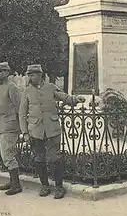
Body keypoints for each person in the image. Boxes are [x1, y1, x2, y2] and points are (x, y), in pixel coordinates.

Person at [19, 64, 86, 199]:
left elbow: (64, 97)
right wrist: (25, 133)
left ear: (40, 75)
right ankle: (44, 185)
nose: (30, 77)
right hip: (35, 130)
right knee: (39, 159)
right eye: (29, 75)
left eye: (33, 75)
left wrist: (75, 99)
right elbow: (22, 113)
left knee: (55, 159)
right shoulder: (26, 92)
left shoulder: (50, 87)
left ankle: (59, 187)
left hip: (52, 129)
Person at [0, 62, 23, 196]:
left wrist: (22, 127)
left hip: (10, 125)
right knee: (5, 154)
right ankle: (12, 181)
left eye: (1, 71)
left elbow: (20, 107)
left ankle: (16, 185)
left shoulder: (11, 87)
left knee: (8, 154)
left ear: (7, 72)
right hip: (1, 125)